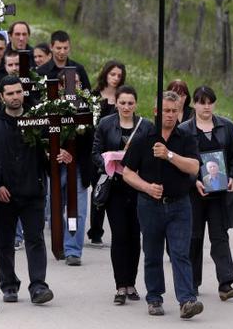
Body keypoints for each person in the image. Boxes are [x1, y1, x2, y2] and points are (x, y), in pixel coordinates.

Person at [122, 91, 203, 319]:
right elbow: (127, 173)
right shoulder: (143, 138)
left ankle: (187, 300)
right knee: (153, 253)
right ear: (156, 112)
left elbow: (194, 167)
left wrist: (168, 155)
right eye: (165, 111)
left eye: (173, 111)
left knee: (180, 253)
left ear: (179, 112)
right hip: (150, 205)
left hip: (180, 205)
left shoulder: (186, 138)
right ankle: (155, 298)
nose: (169, 115)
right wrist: (146, 187)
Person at [0, 76, 54, 305]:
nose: (15, 97)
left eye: (18, 92)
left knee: (35, 239)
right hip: (3, 194)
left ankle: (38, 286)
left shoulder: (37, 119)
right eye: (10, 93)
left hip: (32, 191)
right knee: (4, 241)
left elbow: (46, 154)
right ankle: (8, 285)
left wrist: (57, 158)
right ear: (1, 96)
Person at [179, 85, 233, 301]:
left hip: (220, 195)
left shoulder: (227, 127)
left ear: (214, 103)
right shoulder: (185, 130)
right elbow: (180, 163)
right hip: (194, 195)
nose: (206, 106)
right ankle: (192, 283)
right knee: (194, 237)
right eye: (201, 102)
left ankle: (226, 284)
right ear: (194, 104)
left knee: (219, 237)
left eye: (210, 102)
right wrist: (194, 181)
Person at [92, 85, 151, 304]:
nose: (126, 107)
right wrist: (109, 162)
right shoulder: (106, 124)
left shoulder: (145, 127)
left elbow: (152, 156)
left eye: (130, 103)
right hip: (115, 187)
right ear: (116, 103)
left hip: (137, 188)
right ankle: (119, 286)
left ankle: (131, 284)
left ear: (136, 104)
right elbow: (95, 153)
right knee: (119, 236)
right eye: (122, 103)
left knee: (135, 237)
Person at [88, 60, 127, 247]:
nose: (115, 78)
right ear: (106, 74)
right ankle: (95, 231)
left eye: (119, 75)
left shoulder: (122, 98)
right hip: (98, 150)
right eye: (112, 74)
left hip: (117, 151)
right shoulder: (94, 96)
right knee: (98, 190)